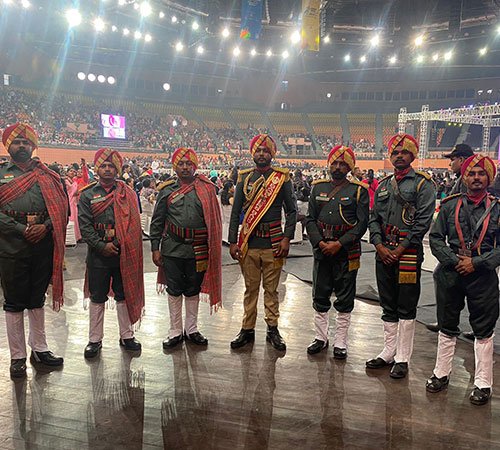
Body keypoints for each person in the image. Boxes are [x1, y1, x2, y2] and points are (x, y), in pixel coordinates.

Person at [427, 155, 500, 405]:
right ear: (464, 177)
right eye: (471, 173)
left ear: (489, 178)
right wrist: (454, 261)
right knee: (447, 324)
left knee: (484, 330)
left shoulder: (497, 208)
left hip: (483, 275)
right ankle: (441, 373)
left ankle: (483, 383)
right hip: (451, 271)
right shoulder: (449, 206)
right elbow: (436, 238)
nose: (476, 177)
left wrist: (475, 263)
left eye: (481, 173)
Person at [0, 123, 68, 378]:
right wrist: (21, 228)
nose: (21, 146)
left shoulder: (48, 175)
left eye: (25, 142)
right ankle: (17, 356)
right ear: (9, 146)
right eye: (17, 142)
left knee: (37, 299)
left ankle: (39, 349)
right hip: (11, 246)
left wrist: (45, 226)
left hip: (42, 244)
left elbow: (61, 208)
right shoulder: (1, 174)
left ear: (33, 146)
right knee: (14, 302)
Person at [366, 134, 435, 378]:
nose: (399, 156)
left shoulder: (423, 185)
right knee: (387, 302)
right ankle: (388, 351)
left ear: (412, 155)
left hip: (408, 254)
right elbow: (374, 218)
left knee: (406, 306)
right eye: (395, 152)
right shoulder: (384, 185)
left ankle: (403, 357)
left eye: (404, 152)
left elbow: (422, 223)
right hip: (383, 252)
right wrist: (378, 245)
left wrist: (399, 249)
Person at [228, 134, 297, 351]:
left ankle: (272, 329)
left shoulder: (282, 178)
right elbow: (235, 212)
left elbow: (292, 211)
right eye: (258, 150)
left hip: (274, 243)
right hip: (249, 243)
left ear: (272, 154)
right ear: (252, 153)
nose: (261, 154)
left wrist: (287, 238)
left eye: (265, 150)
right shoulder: (244, 177)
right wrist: (232, 241)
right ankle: (247, 329)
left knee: (271, 290)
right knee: (250, 289)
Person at [150, 147, 222, 349]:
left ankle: (191, 329)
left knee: (193, 289)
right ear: (175, 167)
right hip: (172, 249)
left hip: (198, 249)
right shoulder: (166, 190)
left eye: (188, 163)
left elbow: (214, 221)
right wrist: (155, 248)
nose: (184, 167)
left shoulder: (207, 189)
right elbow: (157, 221)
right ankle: (175, 331)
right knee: (174, 290)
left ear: (194, 166)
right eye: (180, 164)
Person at [78, 148, 144, 359]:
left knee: (123, 294)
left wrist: (117, 243)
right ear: (97, 169)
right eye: (103, 166)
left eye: (111, 166)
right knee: (97, 296)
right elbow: (85, 226)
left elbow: (133, 223)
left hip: (122, 252)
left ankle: (127, 336)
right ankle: (94, 339)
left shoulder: (128, 192)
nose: (107, 169)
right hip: (98, 255)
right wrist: (101, 246)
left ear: (117, 169)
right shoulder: (87, 194)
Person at [305, 146, 369, 358]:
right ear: (329, 164)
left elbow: (362, 224)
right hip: (322, 249)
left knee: (345, 296)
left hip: (346, 251)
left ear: (349, 168)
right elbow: (310, 219)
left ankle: (340, 341)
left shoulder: (358, 191)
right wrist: (319, 242)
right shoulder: (317, 188)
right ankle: (320, 337)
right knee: (320, 294)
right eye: (335, 163)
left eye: (343, 164)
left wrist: (339, 243)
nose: (338, 167)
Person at [426, 143, 475, 334]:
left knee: (444, 277)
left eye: (452, 159)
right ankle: (473, 326)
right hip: (469, 245)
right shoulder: (464, 179)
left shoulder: (466, 181)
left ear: (462, 160)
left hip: (466, 245)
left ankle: (446, 321)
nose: (450, 163)